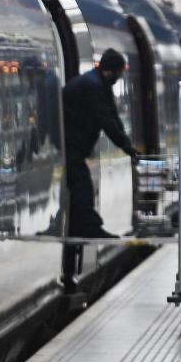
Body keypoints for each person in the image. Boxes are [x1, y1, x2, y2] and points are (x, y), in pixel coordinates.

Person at [63, 49, 137, 238]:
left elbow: (114, 117)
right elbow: (107, 122)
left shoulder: (99, 83)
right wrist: (127, 148)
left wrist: (128, 146)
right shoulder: (93, 86)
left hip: (74, 144)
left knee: (80, 184)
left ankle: (80, 224)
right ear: (111, 71)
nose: (120, 78)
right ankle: (87, 228)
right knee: (82, 185)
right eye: (120, 73)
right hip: (68, 144)